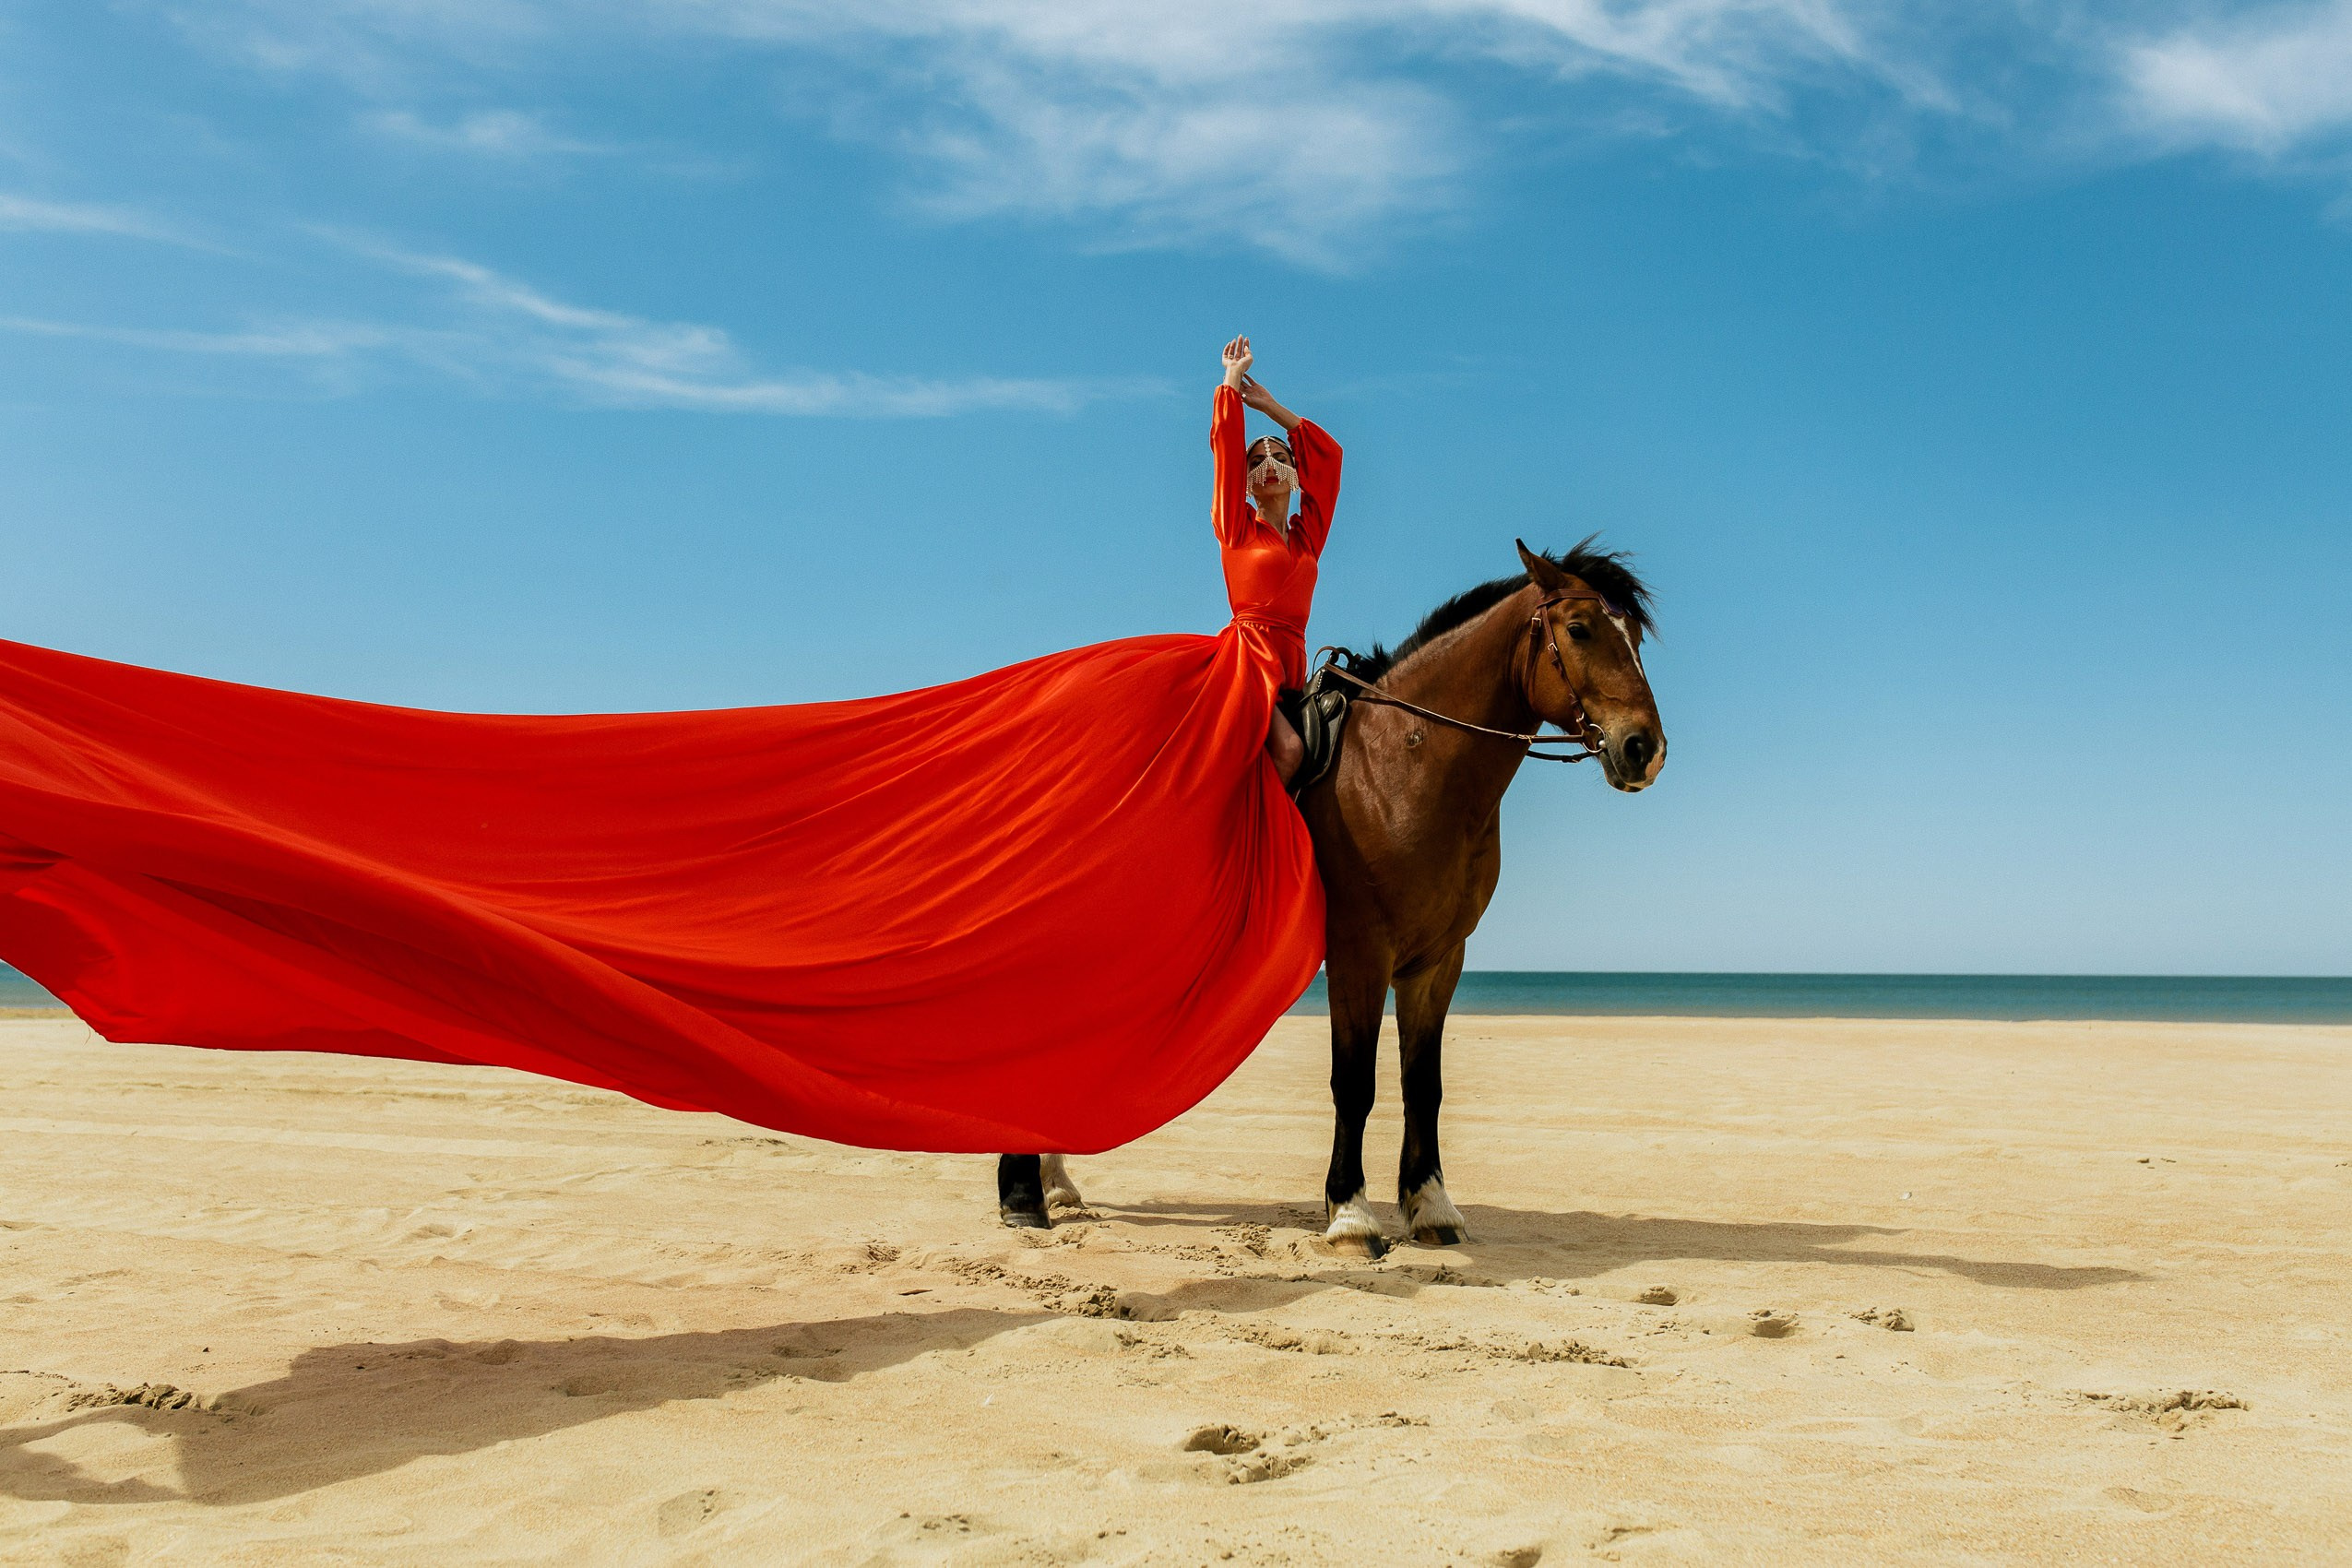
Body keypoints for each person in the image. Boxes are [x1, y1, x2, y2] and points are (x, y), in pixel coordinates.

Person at [0, 337, 1340, 1158]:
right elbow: (1234, 459)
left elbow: (1329, 451)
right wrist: (1236, 401)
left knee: (1339, 733)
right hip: (1228, 680)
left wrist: (1289, 416)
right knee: (1266, 764)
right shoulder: (1236, 532)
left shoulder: (1309, 525)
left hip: (1286, 672)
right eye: (1266, 482)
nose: (1277, 486)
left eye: (1279, 483)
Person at [1210, 335, 1344, 787]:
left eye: (1280, 456)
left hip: (1293, 667)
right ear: (1247, 479)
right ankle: (1259, 851)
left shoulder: (1308, 537)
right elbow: (1226, 451)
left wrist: (1271, 409)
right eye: (1258, 459)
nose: (1268, 462)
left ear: (1294, 473)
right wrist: (1231, 379)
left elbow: (1330, 462)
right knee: (1288, 751)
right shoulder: (1236, 525)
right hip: (1247, 661)